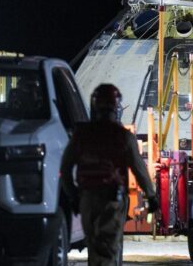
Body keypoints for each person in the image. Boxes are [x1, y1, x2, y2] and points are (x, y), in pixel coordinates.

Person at [60, 84, 159, 266]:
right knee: (108, 250)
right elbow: (139, 170)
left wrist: (73, 197)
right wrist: (151, 197)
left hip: (87, 200)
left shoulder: (82, 134)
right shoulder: (122, 136)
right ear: (116, 107)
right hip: (111, 202)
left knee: (94, 248)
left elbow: (65, 169)